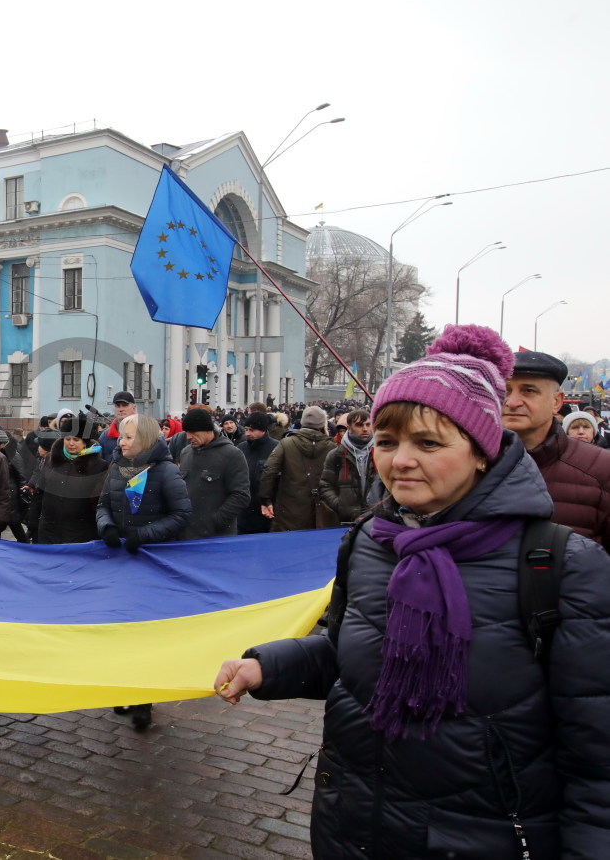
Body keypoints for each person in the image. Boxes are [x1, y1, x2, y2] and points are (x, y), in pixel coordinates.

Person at [214, 325, 610, 859]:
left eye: (428, 443)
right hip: (354, 828)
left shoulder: (562, 566)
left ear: (481, 452)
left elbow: (596, 764)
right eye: (386, 441)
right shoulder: (370, 542)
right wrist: (268, 666)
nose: (400, 460)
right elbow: (351, 648)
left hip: (483, 838)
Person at [97, 413, 191, 729]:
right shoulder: (117, 469)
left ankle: (144, 700)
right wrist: (107, 527)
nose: (120, 442)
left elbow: (181, 515)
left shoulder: (166, 472)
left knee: (145, 634)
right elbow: (103, 506)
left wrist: (144, 535)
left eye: (127, 437)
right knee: (120, 631)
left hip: (152, 565)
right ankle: (124, 687)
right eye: (120, 437)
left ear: (146, 440)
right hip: (121, 564)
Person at [503, 351, 610, 544]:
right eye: (505, 391)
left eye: (528, 391)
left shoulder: (601, 470)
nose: (512, 402)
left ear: (557, 402)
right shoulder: (469, 464)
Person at [259, 405, 338, 532]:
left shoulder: (287, 443)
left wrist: (265, 499)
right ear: (324, 424)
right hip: (322, 511)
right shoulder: (332, 447)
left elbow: (269, 470)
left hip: (290, 510)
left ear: (302, 422)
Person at [36, 412, 108, 544]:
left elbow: (99, 503)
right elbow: (40, 492)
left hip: (81, 533)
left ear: (85, 442)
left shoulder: (99, 466)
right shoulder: (50, 460)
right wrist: (33, 522)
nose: (71, 443)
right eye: (67, 439)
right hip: (49, 530)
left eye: (76, 439)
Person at [177, 409, 249, 540]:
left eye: (193, 432)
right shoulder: (185, 453)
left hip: (216, 536)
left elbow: (241, 495)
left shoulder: (232, 454)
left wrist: (215, 521)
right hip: (187, 534)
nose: (188, 437)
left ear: (207, 430)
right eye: (186, 432)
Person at [319, 409, 377, 524]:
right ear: (349, 428)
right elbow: (325, 485)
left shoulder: (381, 452)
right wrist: (340, 505)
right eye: (359, 425)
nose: (365, 429)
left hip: (376, 519)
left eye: (368, 424)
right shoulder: (336, 454)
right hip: (346, 520)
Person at [236, 412, 279, 535]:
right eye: (246, 429)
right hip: (243, 513)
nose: (248, 433)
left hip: (266, 512)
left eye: (252, 430)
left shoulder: (276, 448)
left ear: (263, 430)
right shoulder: (241, 448)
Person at [98, 391, 137, 463]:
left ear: (134, 407)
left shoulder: (144, 431)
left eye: (124, 405)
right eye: (118, 406)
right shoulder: (105, 436)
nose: (121, 409)